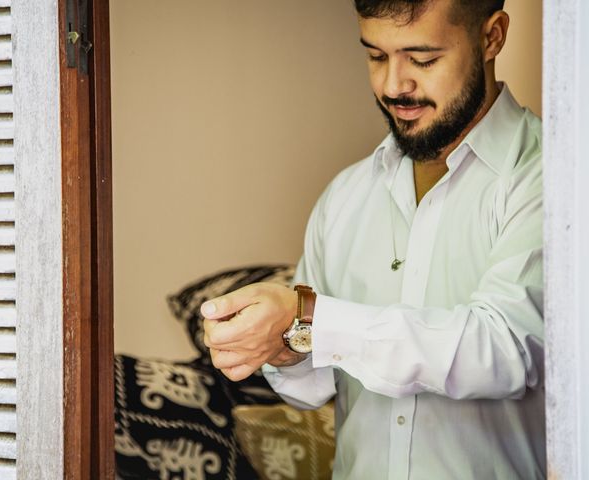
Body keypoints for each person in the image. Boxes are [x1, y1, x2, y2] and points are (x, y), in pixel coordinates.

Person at [201, 0, 545, 477]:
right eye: (376, 56)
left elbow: (504, 351)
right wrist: (284, 343)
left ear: (492, 37)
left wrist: (311, 318)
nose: (393, 85)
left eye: (422, 59)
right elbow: (312, 384)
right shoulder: (344, 196)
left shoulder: (548, 176)